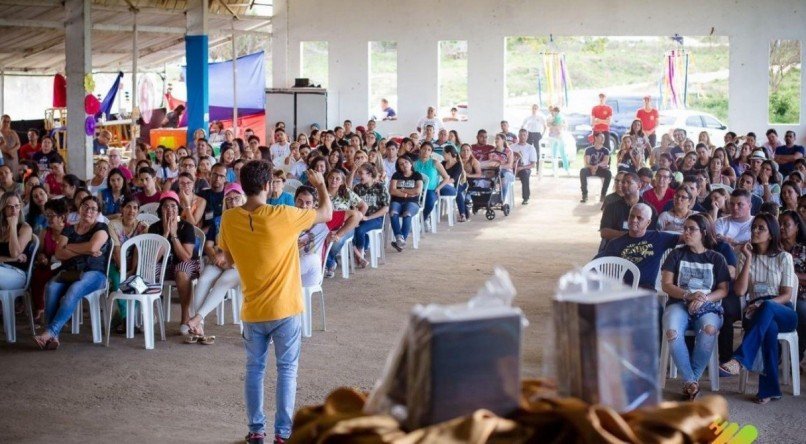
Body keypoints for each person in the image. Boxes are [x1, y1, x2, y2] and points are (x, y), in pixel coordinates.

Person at [217, 160, 331, 444]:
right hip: (285, 307)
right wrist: (320, 185)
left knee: (254, 369)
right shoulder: (284, 214)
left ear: (243, 186)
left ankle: (256, 431)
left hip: (253, 309)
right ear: (268, 185)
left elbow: (229, 260)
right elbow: (327, 212)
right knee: (286, 371)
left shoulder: (229, 219)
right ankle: (282, 435)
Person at [720, 213, 798, 404]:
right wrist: (747, 259)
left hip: (782, 309)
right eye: (754, 227)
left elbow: (787, 294)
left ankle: (740, 359)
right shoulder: (745, 256)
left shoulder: (783, 257)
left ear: (771, 234)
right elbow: (739, 291)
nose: (755, 231)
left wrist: (765, 304)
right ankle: (770, 390)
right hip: (755, 311)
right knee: (768, 329)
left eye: (761, 228)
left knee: (769, 307)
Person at [660, 213, 730, 400]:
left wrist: (704, 298)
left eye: (692, 229)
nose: (687, 232)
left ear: (703, 232)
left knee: (709, 329)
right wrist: (688, 295)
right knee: (672, 331)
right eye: (685, 228)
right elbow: (666, 284)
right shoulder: (677, 254)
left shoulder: (716, 258)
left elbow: (723, 290)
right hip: (678, 303)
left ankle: (691, 380)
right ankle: (691, 381)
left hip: (707, 307)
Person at [34, 196, 110, 350]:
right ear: (79, 208)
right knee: (51, 287)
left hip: (94, 273)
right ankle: (52, 337)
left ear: (98, 212)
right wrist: (85, 248)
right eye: (85, 206)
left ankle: (50, 332)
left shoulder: (101, 228)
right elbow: (59, 253)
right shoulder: (68, 229)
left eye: (93, 208)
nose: (88, 211)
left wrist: (70, 247)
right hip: (70, 272)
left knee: (74, 289)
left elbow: (94, 247)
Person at [185, 183, 248, 344]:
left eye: (236, 198)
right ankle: (200, 328)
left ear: (243, 199)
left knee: (222, 281)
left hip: (241, 263)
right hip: (219, 259)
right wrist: (216, 258)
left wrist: (228, 260)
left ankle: (197, 318)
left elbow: (247, 247)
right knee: (204, 279)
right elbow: (208, 245)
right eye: (229, 199)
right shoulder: (219, 220)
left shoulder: (249, 219)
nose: (233, 202)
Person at [148, 191, 200, 335]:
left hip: (187, 264)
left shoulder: (187, 227)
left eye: (173, 206)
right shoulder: (154, 228)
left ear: (178, 209)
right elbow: (153, 259)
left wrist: (174, 235)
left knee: (181, 271)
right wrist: (165, 234)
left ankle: (185, 316)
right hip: (165, 265)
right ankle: (149, 314)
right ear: (160, 209)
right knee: (147, 270)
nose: (170, 209)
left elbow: (185, 257)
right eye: (166, 206)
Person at [595, 203, 679, 290]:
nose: (634, 220)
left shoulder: (658, 238)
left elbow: (686, 238)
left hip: (645, 293)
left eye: (639, 218)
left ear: (648, 222)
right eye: (631, 216)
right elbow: (607, 273)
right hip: (620, 292)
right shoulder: (615, 243)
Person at [107, 197, 149, 332]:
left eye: (135, 208)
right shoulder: (113, 224)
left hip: (135, 264)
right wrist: (123, 270)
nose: (132, 210)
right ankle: (127, 320)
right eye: (128, 207)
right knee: (118, 281)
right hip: (115, 262)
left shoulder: (143, 226)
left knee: (139, 285)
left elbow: (139, 250)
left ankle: (120, 318)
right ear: (122, 209)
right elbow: (116, 250)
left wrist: (133, 270)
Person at [30, 198, 68, 323]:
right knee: (37, 273)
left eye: (52, 215)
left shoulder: (70, 231)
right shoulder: (45, 232)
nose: (49, 219)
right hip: (49, 265)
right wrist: (42, 257)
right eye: (47, 215)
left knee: (49, 274)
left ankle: (54, 312)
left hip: (65, 266)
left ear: (62, 217)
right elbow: (40, 251)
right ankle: (40, 308)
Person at [778, 210, 806, 366]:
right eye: (779, 224)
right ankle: (774, 356)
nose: (781, 227)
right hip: (777, 294)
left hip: (801, 296)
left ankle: (795, 357)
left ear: (796, 227)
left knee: (801, 311)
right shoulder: (774, 249)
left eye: (786, 224)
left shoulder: (803, 249)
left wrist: (792, 277)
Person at [352, 163, 390, 267]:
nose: (359, 176)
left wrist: (368, 217)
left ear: (369, 174)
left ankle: (359, 253)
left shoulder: (380, 187)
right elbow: (354, 205)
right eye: (358, 173)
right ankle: (359, 255)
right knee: (349, 229)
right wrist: (358, 217)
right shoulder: (358, 188)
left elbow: (386, 208)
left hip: (376, 218)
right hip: (361, 217)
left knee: (359, 230)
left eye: (361, 173)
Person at [414, 142, 452, 232]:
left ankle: (423, 219)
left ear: (431, 152)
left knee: (430, 202)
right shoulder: (414, 164)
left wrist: (438, 188)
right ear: (420, 149)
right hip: (416, 190)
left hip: (431, 190)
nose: (426, 151)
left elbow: (447, 178)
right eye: (424, 149)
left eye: (429, 150)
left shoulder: (435, 163)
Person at [389, 156, 423, 251]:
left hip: (413, 203)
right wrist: (407, 194)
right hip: (397, 201)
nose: (404, 165)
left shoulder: (417, 175)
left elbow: (418, 190)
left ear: (411, 163)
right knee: (393, 212)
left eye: (406, 162)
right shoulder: (396, 175)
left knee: (407, 214)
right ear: (399, 166)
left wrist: (402, 190)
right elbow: (392, 190)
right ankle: (400, 238)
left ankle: (400, 242)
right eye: (401, 164)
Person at [580, 132, 611, 203]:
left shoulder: (605, 150)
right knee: (583, 171)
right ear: (595, 138)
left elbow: (605, 162)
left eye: (604, 137)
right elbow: (586, 163)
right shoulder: (589, 150)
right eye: (601, 137)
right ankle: (585, 195)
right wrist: (592, 167)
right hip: (590, 168)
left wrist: (596, 166)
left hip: (600, 169)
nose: (603, 138)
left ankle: (603, 195)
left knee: (608, 174)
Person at [510, 129, 537, 205]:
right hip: (512, 167)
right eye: (521, 135)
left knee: (525, 175)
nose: (522, 137)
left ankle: (525, 198)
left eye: (524, 135)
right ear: (518, 136)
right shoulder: (512, 147)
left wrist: (521, 168)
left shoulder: (531, 148)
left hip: (524, 168)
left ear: (527, 136)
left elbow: (533, 164)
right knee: (501, 174)